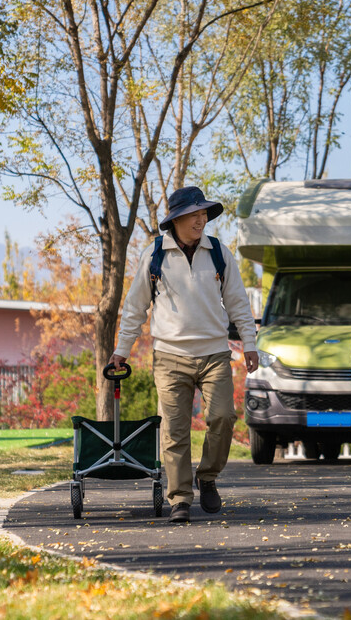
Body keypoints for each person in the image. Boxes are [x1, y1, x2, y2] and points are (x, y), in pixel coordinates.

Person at [110, 186, 259, 523]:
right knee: (174, 431)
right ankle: (179, 498)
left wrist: (249, 343)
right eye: (195, 213)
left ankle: (207, 477)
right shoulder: (155, 256)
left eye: (204, 213)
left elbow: (237, 302)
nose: (201, 219)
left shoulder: (219, 252)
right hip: (169, 356)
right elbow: (135, 309)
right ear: (176, 219)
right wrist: (122, 350)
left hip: (215, 354)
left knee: (223, 417)